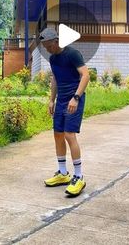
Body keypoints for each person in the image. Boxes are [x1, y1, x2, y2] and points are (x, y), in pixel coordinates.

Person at [39, 27, 90, 197]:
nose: (47, 49)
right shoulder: (53, 58)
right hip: (61, 100)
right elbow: (54, 78)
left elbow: (85, 75)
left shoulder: (72, 54)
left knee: (69, 135)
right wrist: (51, 99)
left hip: (74, 99)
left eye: (48, 46)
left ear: (56, 41)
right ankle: (62, 173)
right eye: (45, 47)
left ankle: (78, 176)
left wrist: (76, 97)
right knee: (58, 134)